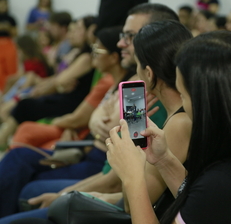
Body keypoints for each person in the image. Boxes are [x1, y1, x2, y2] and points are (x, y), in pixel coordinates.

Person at [0, 3, 188, 223]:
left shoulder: (170, 117)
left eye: (129, 37)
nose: (121, 44)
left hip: (108, 178)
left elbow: (129, 194)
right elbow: (94, 121)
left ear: (148, 70)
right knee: (21, 160)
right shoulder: (137, 92)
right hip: (106, 172)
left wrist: (78, 194)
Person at [107, 30, 231, 224]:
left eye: (182, 94)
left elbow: (210, 195)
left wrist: (133, 178)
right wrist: (164, 160)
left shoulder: (225, 181)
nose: (182, 102)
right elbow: (202, 201)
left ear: (205, 102)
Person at [0, 15, 93, 147]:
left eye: (77, 29)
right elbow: (58, 79)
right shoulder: (76, 53)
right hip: (63, 96)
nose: (71, 33)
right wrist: (55, 85)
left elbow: (60, 80)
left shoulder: (86, 57)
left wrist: (56, 86)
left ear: (89, 32)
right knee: (25, 102)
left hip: (71, 102)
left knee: (25, 105)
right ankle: (7, 139)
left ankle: (5, 140)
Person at [0, 0, 17, 91]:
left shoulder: (11, 19)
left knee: (10, 67)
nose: (2, 6)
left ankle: (10, 89)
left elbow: (16, 33)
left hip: (9, 44)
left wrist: (8, 28)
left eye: (4, 3)